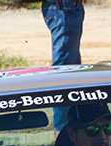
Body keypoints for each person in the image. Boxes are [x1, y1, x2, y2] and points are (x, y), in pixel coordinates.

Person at [42, 0, 84, 129]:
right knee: (65, 72)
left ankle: (71, 126)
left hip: (66, 7)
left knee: (72, 71)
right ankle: (63, 129)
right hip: (63, 7)